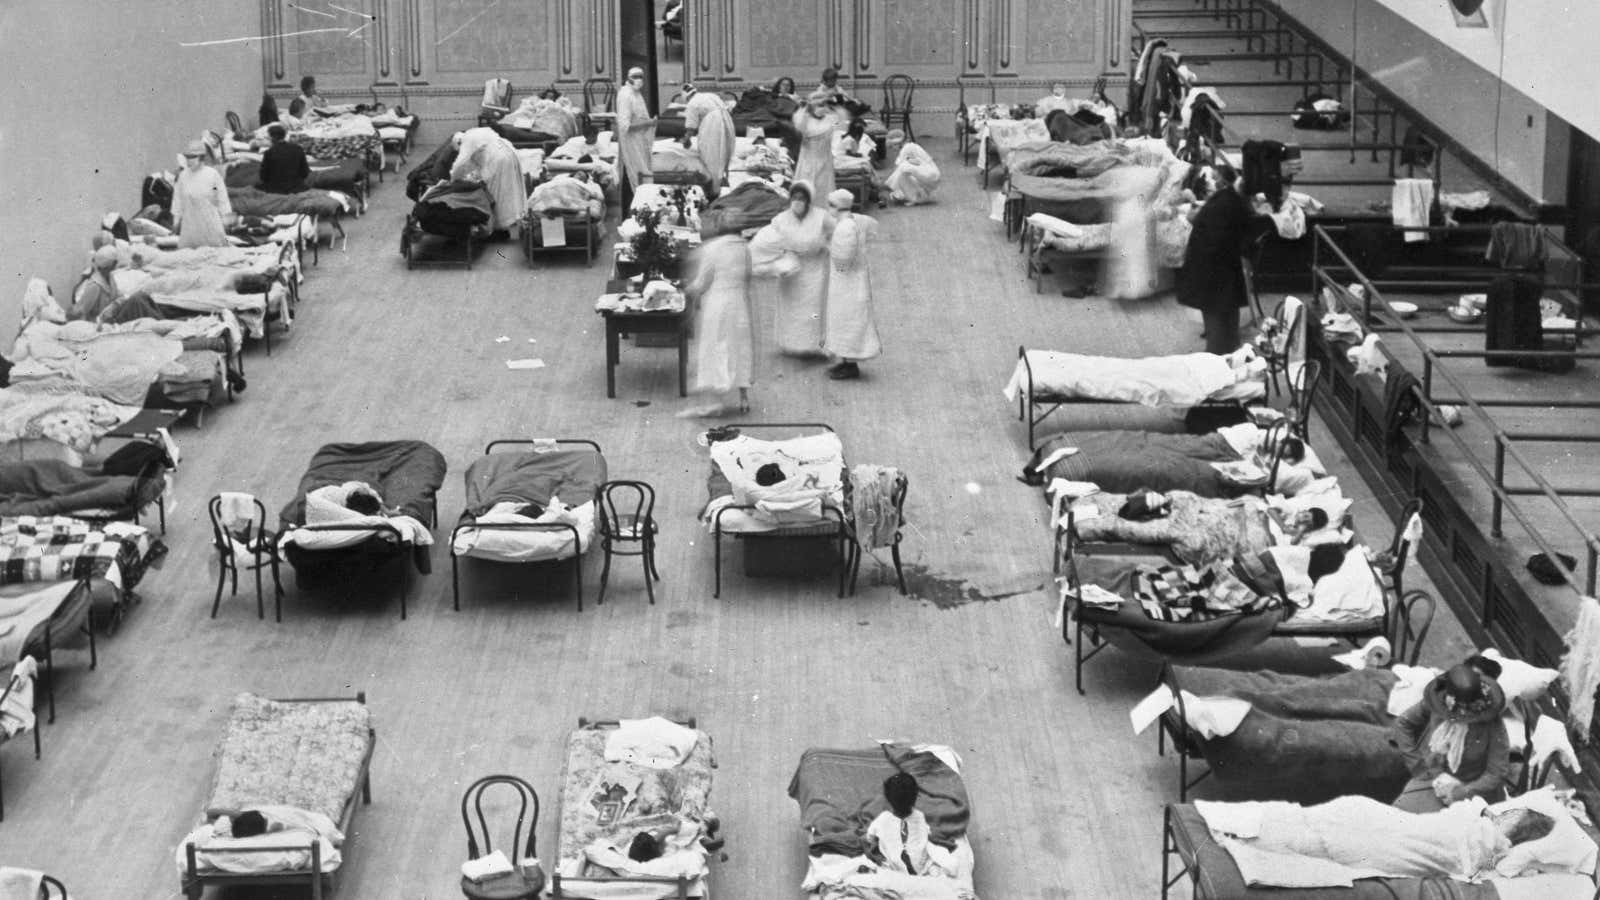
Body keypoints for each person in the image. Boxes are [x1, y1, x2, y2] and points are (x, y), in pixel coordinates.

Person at [1212, 794, 1555, 881]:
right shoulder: (1484, 827)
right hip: (1403, 828)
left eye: (1510, 817)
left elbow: (1471, 857)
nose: (1502, 814)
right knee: (1321, 827)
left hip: (1407, 841)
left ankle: (1243, 832)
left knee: (1319, 834)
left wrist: (1483, 819)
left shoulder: (1492, 843)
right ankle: (1244, 830)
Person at [1389, 661, 1513, 813]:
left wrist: (1461, 792)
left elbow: (1496, 773)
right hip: (1433, 778)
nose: (1458, 718)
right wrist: (1418, 766)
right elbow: (1403, 724)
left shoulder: (1493, 725)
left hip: (1474, 792)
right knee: (1398, 811)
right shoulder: (1437, 704)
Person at [1176, 160, 1252, 354]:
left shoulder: (1226, 200)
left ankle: (1223, 354)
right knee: (1221, 322)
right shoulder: (1231, 201)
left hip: (1213, 269)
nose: (1214, 180)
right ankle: (1223, 354)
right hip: (1214, 270)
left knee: (1219, 323)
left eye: (1217, 176)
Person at [678, 231, 754, 418]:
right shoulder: (743, 247)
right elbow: (748, 276)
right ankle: (744, 398)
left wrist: (685, 289)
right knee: (740, 346)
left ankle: (716, 400)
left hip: (718, 304)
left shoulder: (712, 248)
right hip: (738, 302)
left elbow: (701, 282)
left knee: (716, 348)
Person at [762, 181, 833, 358]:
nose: (797, 201)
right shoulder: (781, 219)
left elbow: (836, 236)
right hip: (790, 270)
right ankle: (792, 344)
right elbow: (769, 241)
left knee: (813, 312)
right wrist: (775, 262)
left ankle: (814, 346)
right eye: (794, 197)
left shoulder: (821, 217)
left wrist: (826, 247)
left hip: (815, 269)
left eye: (801, 198)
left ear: (809, 200)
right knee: (791, 311)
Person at [821, 189, 881, 380]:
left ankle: (850, 365)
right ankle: (845, 361)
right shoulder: (855, 220)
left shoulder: (844, 228)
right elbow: (873, 227)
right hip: (851, 282)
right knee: (844, 321)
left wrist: (827, 246)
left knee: (848, 322)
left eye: (831, 205)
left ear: (837, 206)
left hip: (848, 284)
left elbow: (842, 263)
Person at [449, 127, 527, 236]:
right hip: (509, 154)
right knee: (509, 190)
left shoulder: (467, 140)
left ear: (459, 143)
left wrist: (452, 180)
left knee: (495, 193)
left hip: (498, 160)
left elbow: (460, 164)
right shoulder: (477, 133)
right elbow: (474, 163)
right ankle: (510, 221)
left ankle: (498, 228)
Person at [865, 773, 932, 875]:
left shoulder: (884, 818)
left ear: (888, 798)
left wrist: (874, 851)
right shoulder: (919, 816)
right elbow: (927, 834)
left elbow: (868, 838)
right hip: (920, 868)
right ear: (915, 797)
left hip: (891, 869)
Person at [174, 140, 232, 248]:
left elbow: (220, 196)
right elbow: (178, 200)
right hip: (190, 225)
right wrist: (176, 221)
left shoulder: (212, 175)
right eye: (187, 157)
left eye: (192, 157)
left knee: (215, 252)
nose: (188, 160)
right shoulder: (183, 177)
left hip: (210, 223)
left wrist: (225, 217)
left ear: (201, 158)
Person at [680, 84, 736, 195]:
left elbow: (691, 128)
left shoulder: (692, 104)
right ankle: (723, 180)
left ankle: (713, 191)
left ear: (686, 98)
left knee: (711, 155)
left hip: (713, 124)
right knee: (725, 152)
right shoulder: (711, 95)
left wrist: (686, 140)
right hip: (727, 121)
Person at [616, 67, 658, 209]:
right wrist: (649, 123)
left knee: (644, 175)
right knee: (638, 176)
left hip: (641, 141)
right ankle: (641, 211)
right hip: (632, 143)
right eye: (636, 76)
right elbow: (624, 126)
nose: (639, 79)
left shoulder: (636, 94)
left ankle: (644, 209)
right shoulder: (625, 95)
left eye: (641, 76)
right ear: (628, 78)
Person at [793, 90, 839, 201]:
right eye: (819, 105)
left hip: (825, 162)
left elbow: (836, 136)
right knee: (806, 191)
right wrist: (804, 110)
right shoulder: (803, 118)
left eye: (824, 105)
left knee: (824, 191)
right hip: (807, 162)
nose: (822, 108)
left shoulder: (830, 119)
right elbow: (800, 129)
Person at [257, 124, 311, 194]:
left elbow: (263, 176)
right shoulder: (298, 149)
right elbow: (305, 172)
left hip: (276, 189)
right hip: (297, 187)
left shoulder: (269, 153)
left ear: (273, 137)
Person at [884, 141, 940, 206]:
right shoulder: (912, 146)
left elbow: (898, 167)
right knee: (904, 171)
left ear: (896, 144)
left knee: (902, 174)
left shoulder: (905, 150)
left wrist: (891, 186)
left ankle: (914, 198)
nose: (892, 149)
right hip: (929, 171)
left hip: (925, 172)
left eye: (891, 146)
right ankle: (918, 195)